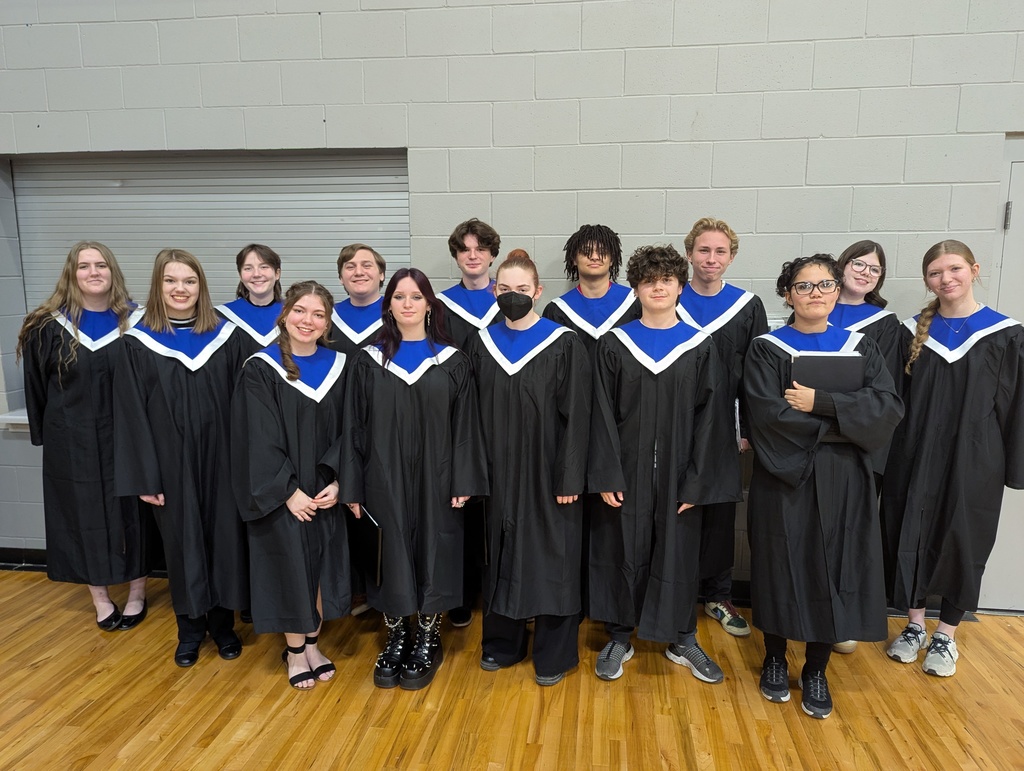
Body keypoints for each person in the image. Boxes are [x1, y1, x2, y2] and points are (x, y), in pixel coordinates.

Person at [743, 254, 903, 719]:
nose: (816, 293)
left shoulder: (860, 347)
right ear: (787, 293)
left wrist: (823, 403)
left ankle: (816, 667)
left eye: (825, 285)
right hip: (784, 476)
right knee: (778, 564)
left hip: (846, 480)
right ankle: (775, 656)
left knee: (834, 567)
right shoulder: (767, 349)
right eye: (804, 285)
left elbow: (887, 409)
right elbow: (767, 416)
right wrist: (845, 421)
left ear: (838, 292)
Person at [589, 244, 741, 685]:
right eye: (649, 280)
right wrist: (606, 473)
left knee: (679, 554)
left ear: (679, 286)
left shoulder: (699, 346)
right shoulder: (615, 345)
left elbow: (713, 420)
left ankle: (683, 637)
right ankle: (619, 634)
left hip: (679, 474)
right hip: (627, 472)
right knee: (621, 549)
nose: (658, 287)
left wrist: (697, 483)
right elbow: (600, 414)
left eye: (667, 280)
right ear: (636, 287)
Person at [881, 240, 1024, 678]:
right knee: (910, 529)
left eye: (954, 269)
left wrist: (1013, 466)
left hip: (976, 459)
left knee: (964, 539)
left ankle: (947, 633)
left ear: (974, 270)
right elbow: (890, 401)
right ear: (927, 280)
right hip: (914, 453)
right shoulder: (907, 333)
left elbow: (1018, 406)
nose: (946, 279)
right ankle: (914, 625)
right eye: (936, 273)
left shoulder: (1006, 334)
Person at [340, 268, 487, 691]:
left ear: (428, 305)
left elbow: (466, 428)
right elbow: (353, 426)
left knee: (433, 548)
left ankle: (426, 633)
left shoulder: (452, 360)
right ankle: (396, 634)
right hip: (381, 476)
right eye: (399, 297)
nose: (407, 303)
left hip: (438, 477)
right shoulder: (367, 360)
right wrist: (351, 486)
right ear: (389, 305)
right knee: (390, 553)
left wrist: (464, 480)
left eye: (416, 296)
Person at [114, 249, 249, 668]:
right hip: (169, 465)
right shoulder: (137, 343)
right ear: (158, 286)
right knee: (182, 542)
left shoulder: (228, 336)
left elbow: (247, 404)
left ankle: (223, 625)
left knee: (225, 540)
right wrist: (146, 476)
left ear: (200, 287)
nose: (180, 289)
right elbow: (130, 414)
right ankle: (189, 630)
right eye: (171, 281)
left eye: (189, 281)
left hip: (223, 459)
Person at [467, 250, 591, 686]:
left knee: (553, 558)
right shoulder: (480, 344)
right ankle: (502, 645)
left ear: (538, 292)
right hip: (497, 472)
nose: (513, 295)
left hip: (548, 473)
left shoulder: (564, 342)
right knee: (498, 555)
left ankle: (553, 654)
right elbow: (467, 416)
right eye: (504, 289)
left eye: (522, 289)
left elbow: (578, 416)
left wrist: (571, 474)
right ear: (493, 292)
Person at [18, 241, 151, 632]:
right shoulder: (45, 325)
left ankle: (138, 592)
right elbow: (36, 388)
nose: (94, 272)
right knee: (83, 514)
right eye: (84, 266)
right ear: (71, 274)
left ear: (113, 272)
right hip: (71, 442)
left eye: (101, 265)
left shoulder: (137, 322)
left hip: (127, 440)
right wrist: (48, 436)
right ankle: (100, 598)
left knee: (135, 514)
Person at [232, 281, 349, 690]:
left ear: (327, 322)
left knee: (319, 572)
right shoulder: (261, 368)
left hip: (322, 491)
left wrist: (339, 479)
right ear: (285, 314)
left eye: (318, 314)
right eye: (300, 311)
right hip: (285, 496)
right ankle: (296, 652)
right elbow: (256, 438)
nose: (308, 320)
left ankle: (314, 644)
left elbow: (351, 430)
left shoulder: (340, 365)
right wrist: (286, 491)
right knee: (289, 569)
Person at [677, 217, 767, 640]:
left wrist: (748, 426)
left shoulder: (747, 306)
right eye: (703, 250)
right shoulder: (665, 298)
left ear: (730, 257)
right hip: (673, 422)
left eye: (719, 252)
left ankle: (717, 594)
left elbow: (757, 374)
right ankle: (673, 590)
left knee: (718, 509)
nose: (710, 259)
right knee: (676, 504)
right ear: (689, 253)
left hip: (725, 422)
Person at [825, 239, 901, 655]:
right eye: (858, 263)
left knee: (849, 534)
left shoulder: (885, 327)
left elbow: (882, 396)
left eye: (874, 269)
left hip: (857, 450)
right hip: (808, 448)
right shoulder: (810, 308)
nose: (865, 272)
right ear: (842, 266)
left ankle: (842, 619)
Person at [437, 218, 504, 628]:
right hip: (457, 421)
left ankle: (499, 588)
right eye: (465, 249)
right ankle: (460, 594)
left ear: (492, 254)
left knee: (501, 507)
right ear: (457, 256)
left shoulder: (511, 298)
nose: (473, 255)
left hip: (502, 419)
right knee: (460, 506)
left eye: (480, 248)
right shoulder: (440, 306)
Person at [542, 224, 640, 354]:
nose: (594, 257)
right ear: (574, 260)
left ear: (612, 260)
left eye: (602, 251)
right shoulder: (557, 311)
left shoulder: (634, 303)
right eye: (586, 251)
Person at [215, 243, 284, 358]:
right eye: (248, 268)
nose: (256, 274)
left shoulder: (294, 314)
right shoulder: (219, 317)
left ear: (277, 273)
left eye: (264, 267)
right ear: (241, 276)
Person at [326, 242, 387, 357]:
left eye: (367, 265)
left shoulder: (396, 314)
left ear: (381, 275)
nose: (358, 272)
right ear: (341, 278)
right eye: (350, 267)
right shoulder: (328, 316)